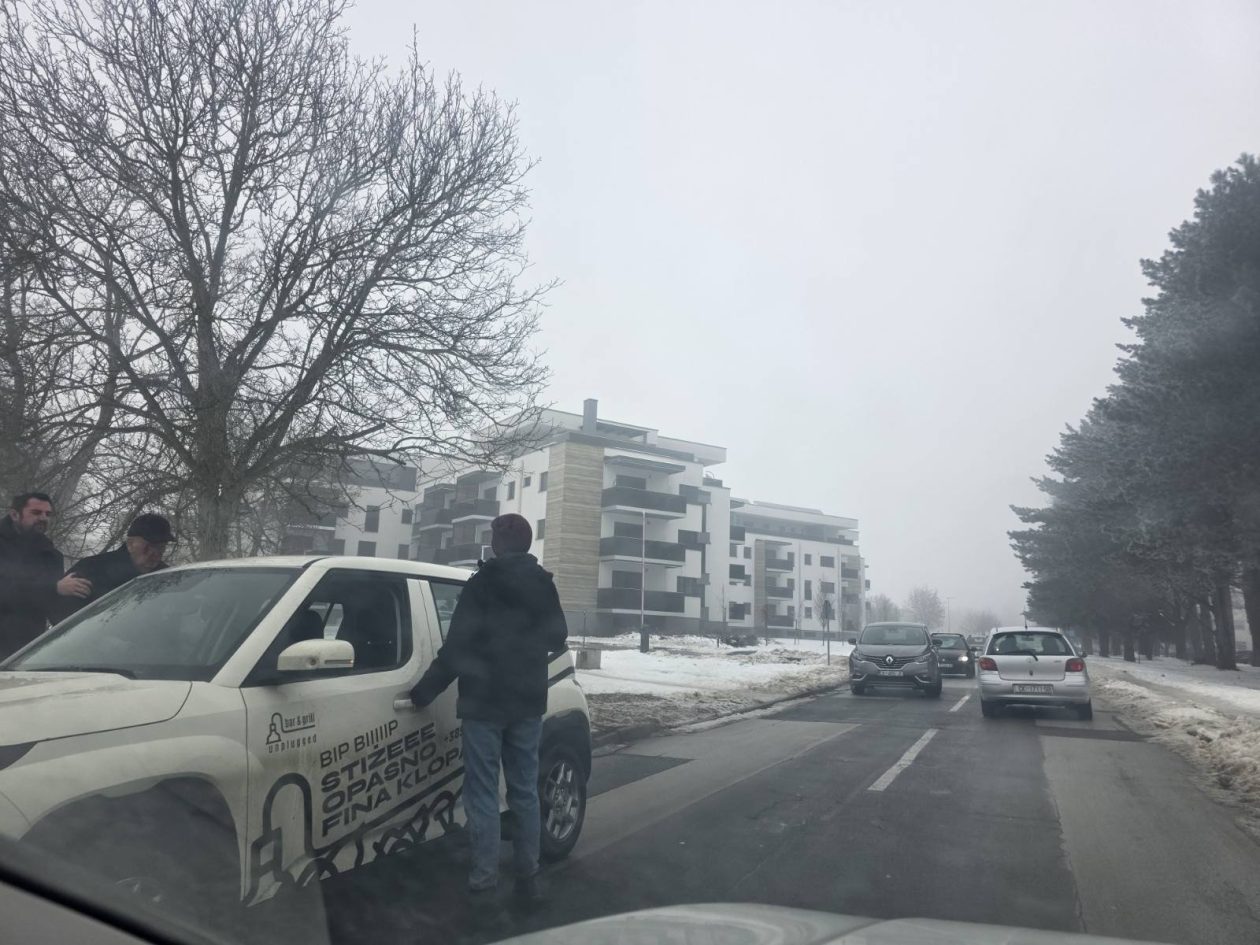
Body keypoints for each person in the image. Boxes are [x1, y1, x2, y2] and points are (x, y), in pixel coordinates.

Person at [410, 513, 567, 911]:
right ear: (528, 545)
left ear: (500, 543)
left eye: (493, 537)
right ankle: (528, 880)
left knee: (481, 793)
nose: (491, 543)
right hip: (527, 701)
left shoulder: (483, 584)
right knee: (524, 791)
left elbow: (458, 646)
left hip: (484, 702)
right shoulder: (542, 584)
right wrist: (524, 641)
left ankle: (483, 881)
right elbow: (557, 636)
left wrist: (424, 692)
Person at [0, 492, 92, 659]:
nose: (43, 518)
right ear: (14, 514)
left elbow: (53, 606)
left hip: (26, 649)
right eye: (36, 513)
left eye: (48, 514)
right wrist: (54, 588)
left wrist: (81, 633)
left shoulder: (50, 554)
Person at [61, 513, 175, 615]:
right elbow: (62, 612)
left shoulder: (167, 578)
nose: (154, 553)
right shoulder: (92, 568)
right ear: (130, 544)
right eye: (149, 546)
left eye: (161, 547)